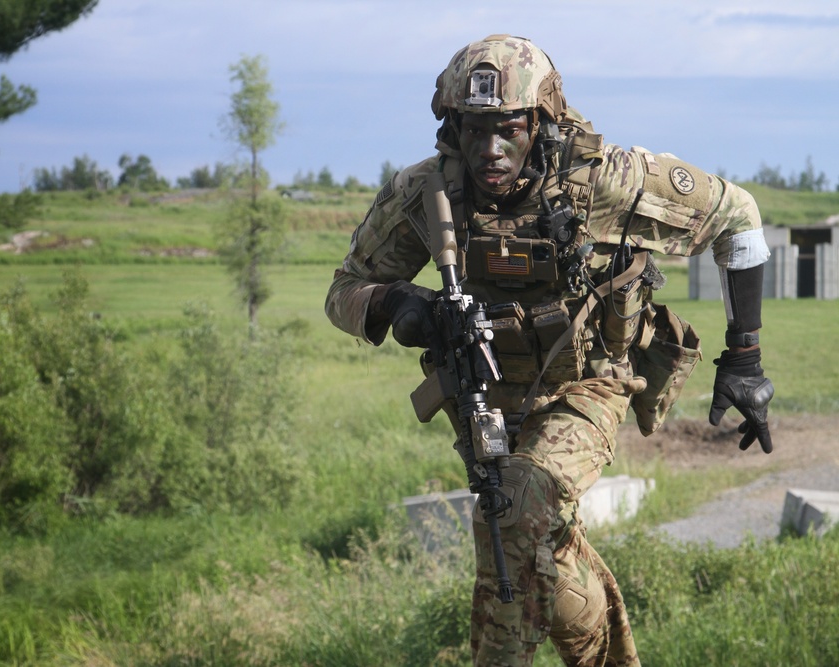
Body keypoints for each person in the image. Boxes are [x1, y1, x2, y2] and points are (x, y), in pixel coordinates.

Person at [324, 34, 774, 666]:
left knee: (511, 513)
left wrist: (745, 359)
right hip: (482, 400)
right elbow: (343, 288)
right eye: (473, 130)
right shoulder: (427, 194)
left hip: (585, 384)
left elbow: (738, 217)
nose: (490, 150)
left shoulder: (604, 180)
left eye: (507, 128)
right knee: (538, 540)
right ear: (452, 126)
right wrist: (397, 305)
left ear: (540, 120)